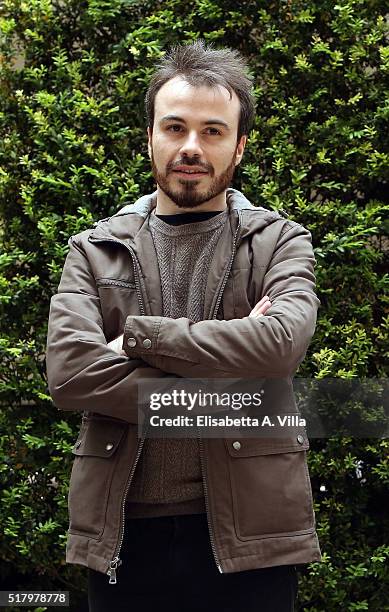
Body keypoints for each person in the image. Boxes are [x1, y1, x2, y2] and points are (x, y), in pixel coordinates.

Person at [46, 40, 321, 612]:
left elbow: (279, 346)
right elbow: (71, 376)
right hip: (123, 538)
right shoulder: (95, 250)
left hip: (251, 539)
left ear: (240, 146)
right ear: (150, 136)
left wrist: (143, 338)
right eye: (175, 128)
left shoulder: (279, 242)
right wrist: (232, 376)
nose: (191, 147)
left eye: (213, 131)